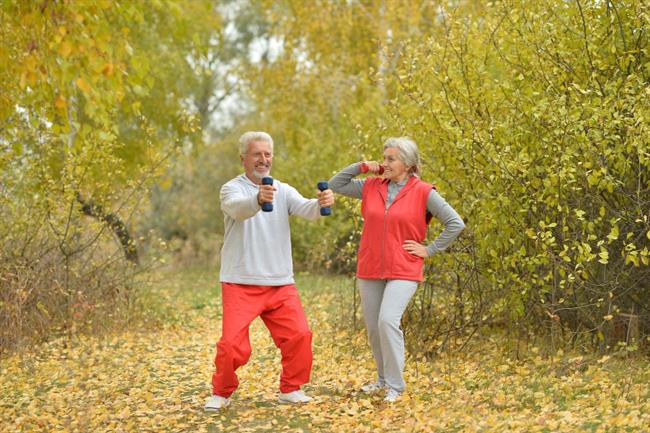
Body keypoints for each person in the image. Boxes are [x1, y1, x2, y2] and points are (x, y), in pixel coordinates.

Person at [204, 131, 335, 411]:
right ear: (243, 159)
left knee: (299, 335)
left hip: (279, 281)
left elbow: (307, 209)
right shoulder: (231, 189)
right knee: (231, 345)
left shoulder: (282, 189)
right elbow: (238, 210)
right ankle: (221, 392)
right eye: (256, 154)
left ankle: (291, 388)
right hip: (241, 281)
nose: (263, 160)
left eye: (267, 154)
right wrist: (257, 200)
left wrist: (321, 203)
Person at [329, 137, 464, 402]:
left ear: (408, 163)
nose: (385, 163)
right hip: (370, 266)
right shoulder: (370, 186)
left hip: (404, 267)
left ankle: (396, 386)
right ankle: (382, 380)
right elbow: (336, 184)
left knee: (387, 321)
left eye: (391, 159)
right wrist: (364, 166)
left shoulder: (424, 191)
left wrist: (430, 249)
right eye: (384, 157)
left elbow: (455, 223)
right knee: (373, 328)